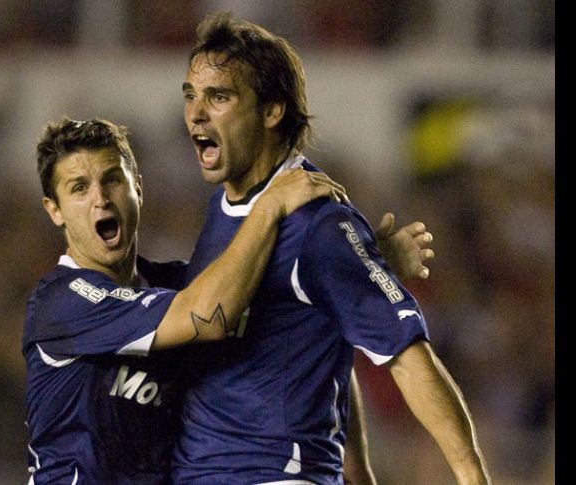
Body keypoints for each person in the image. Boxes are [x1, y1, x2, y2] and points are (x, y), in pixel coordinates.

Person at [172, 13, 491, 485]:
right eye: (191, 95)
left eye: (219, 97)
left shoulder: (317, 223)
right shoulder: (228, 202)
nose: (197, 112)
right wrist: (356, 470)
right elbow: (329, 336)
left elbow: (407, 357)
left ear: (271, 110)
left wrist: (471, 476)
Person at [22, 117, 350, 484]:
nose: (100, 199)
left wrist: (360, 262)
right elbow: (207, 316)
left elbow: (295, 308)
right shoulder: (63, 302)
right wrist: (269, 207)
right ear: (55, 210)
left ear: (138, 189)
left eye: (112, 179)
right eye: (79, 188)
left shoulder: (177, 284)